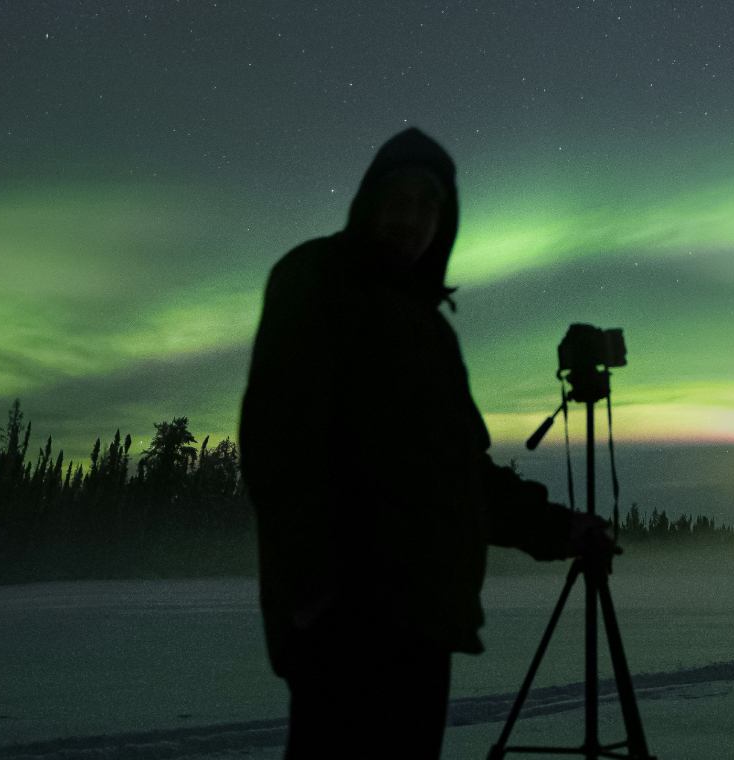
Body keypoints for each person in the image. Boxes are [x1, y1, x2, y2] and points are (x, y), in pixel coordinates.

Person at [238, 127, 613, 758]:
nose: (410, 219)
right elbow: (280, 437)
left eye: (427, 206)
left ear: (444, 222)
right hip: (350, 626)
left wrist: (559, 528)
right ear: (368, 203)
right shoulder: (320, 278)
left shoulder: (430, 326)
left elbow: (459, 474)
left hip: (422, 621)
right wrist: (316, 593)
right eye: (397, 199)